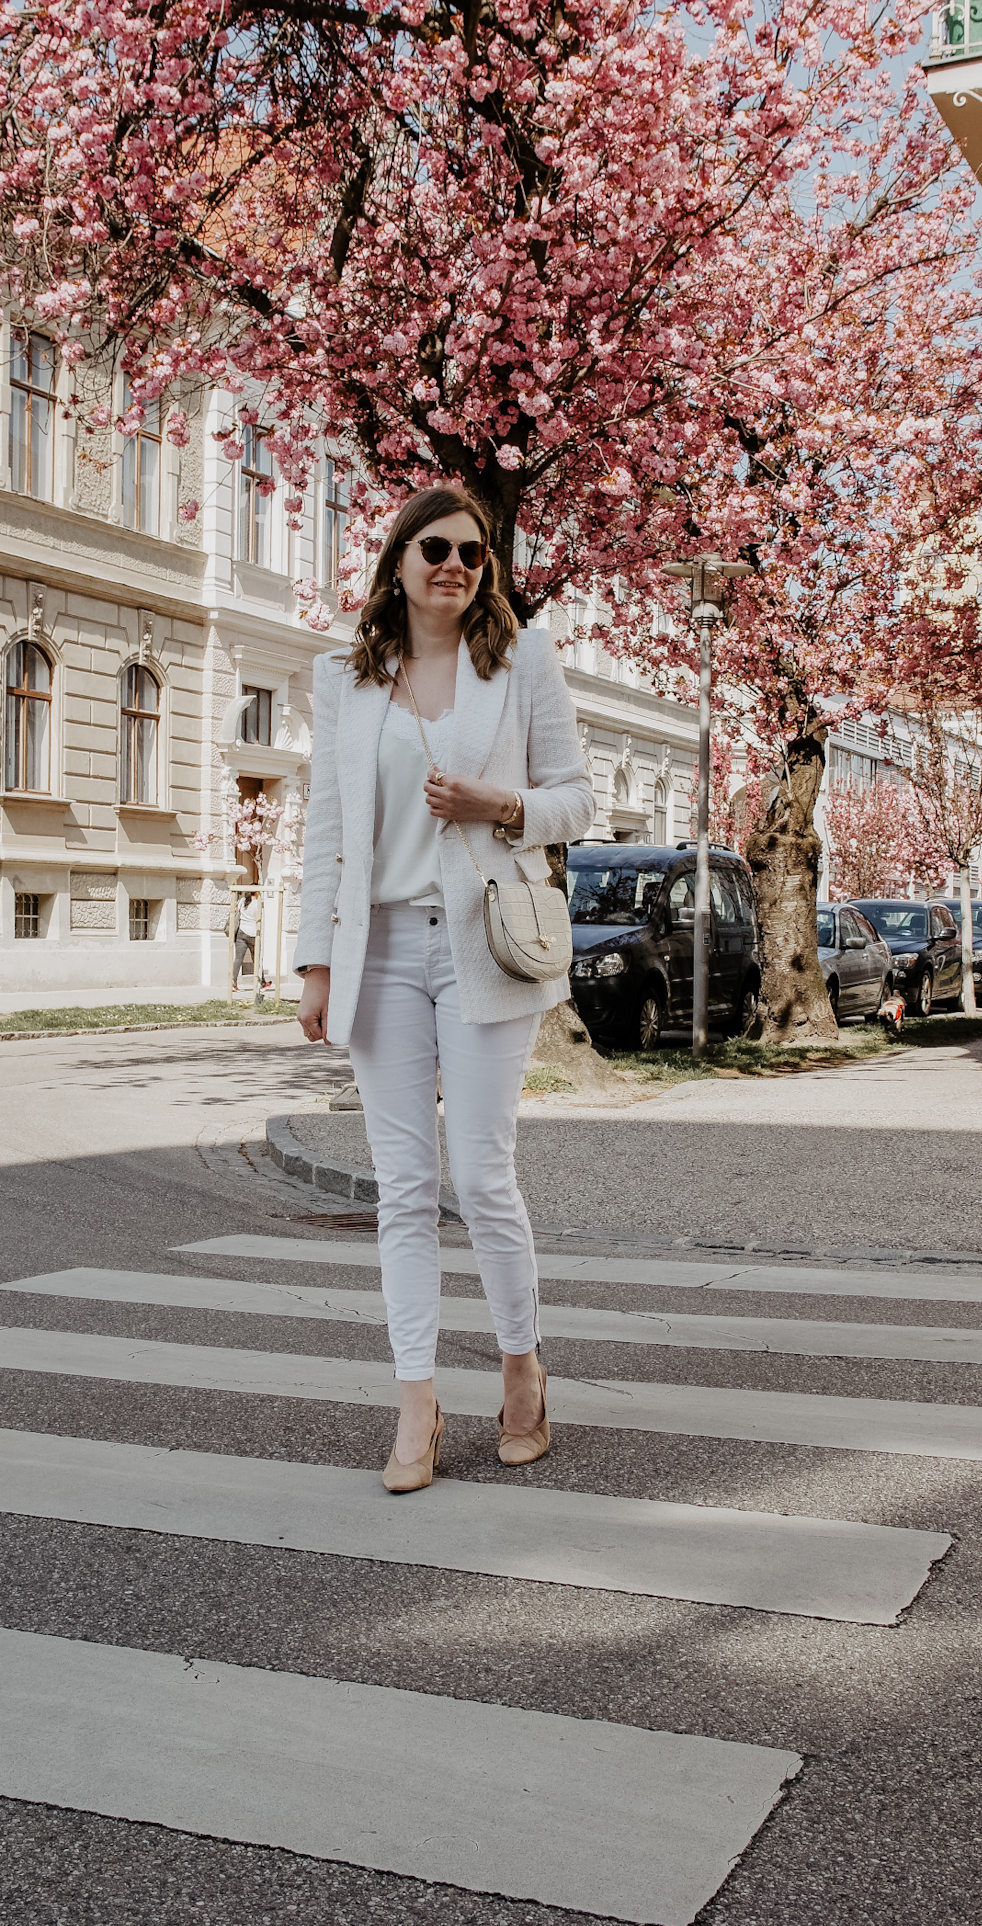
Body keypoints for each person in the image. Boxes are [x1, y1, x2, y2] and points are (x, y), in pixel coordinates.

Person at [294, 485, 595, 1493]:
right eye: (436, 547)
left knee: (480, 1172)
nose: (455, 563)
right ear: (398, 560)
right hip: (377, 950)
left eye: (473, 551)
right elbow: (327, 829)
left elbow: (575, 800)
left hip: (482, 946)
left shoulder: (522, 662)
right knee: (402, 1188)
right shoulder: (344, 678)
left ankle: (521, 1368)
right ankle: (414, 1398)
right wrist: (314, 962)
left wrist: (496, 803)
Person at [230, 890, 259, 991]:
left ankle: (233, 982)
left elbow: (235, 909)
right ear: (256, 893)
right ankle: (262, 981)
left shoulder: (242, 901)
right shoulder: (257, 903)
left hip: (241, 932)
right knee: (257, 958)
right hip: (253, 933)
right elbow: (258, 919)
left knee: (238, 959)